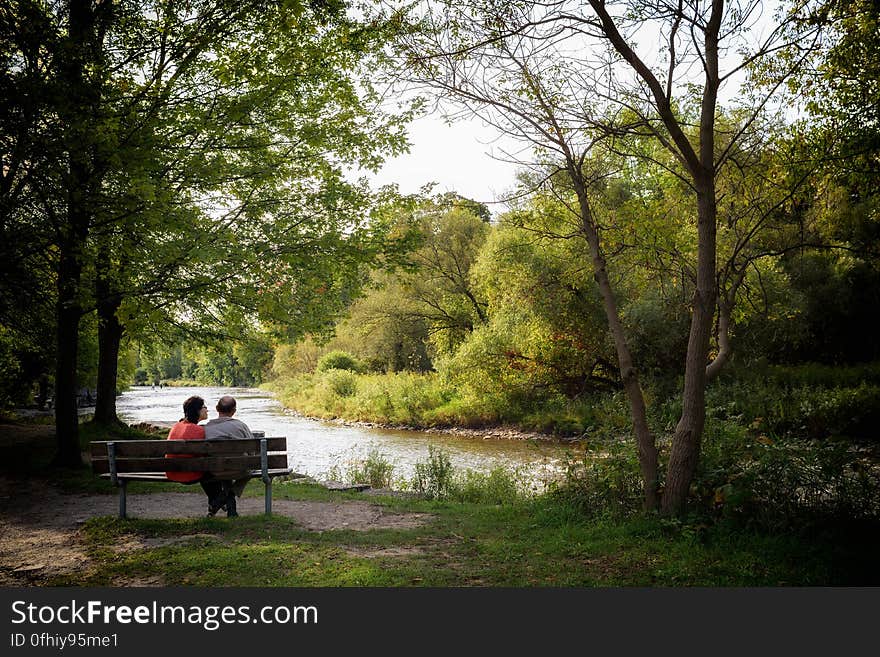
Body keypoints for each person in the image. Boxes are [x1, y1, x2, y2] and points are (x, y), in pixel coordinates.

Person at [165, 395, 228, 517]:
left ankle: (215, 503)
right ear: (198, 411)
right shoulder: (199, 431)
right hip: (188, 474)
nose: (207, 410)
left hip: (172, 471)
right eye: (204, 407)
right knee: (212, 468)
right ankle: (219, 501)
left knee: (205, 468)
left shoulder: (176, 426)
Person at [202, 395, 255, 517]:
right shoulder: (241, 426)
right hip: (240, 471)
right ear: (234, 411)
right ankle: (226, 496)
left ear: (216, 408)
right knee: (251, 466)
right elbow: (252, 451)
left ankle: (222, 500)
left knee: (226, 465)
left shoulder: (207, 428)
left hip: (215, 471)